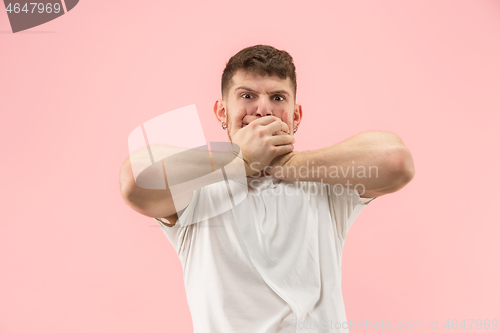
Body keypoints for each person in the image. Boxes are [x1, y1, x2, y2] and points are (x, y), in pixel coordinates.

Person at [120, 45, 415, 333]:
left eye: (277, 97)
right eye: (247, 96)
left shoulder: (325, 185)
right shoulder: (198, 192)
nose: (263, 109)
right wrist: (240, 160)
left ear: (295, 116)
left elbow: (396, 160)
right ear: (222, 112)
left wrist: (291, 165)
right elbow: (135, 178)